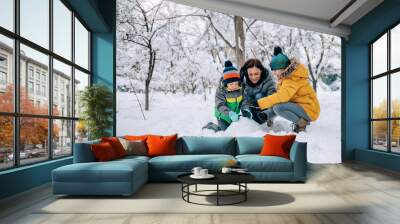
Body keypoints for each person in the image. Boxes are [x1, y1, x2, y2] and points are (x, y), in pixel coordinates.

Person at [257, 47, 320, 132]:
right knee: (277, 104)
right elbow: (280, 99)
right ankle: (269, 117)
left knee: (278, 108)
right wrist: (267, 114)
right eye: (273, 70)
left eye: (275, 70)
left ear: (283, 68)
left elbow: (282, 97)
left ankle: (301, 124)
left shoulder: (292, 78)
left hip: (309, 110)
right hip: (303, 106)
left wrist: (261, 102)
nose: (274, 73)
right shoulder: (287, 77)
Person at [203, 60, 242, 132]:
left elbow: (244, 101)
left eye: (236, 84)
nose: (234, 86)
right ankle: (211, 126)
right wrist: (230, 113)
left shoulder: (240, 90)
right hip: (222, 115)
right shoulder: (221, 91)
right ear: (226, 84)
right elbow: (220, 105)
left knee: (235, 130)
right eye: (231, 84)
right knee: (224, 131)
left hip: (234, 115)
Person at [240, 58, 276, 126]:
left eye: (256, 74)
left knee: (259, 95)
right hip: (252, 109)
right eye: (250, 74)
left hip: (265, 112)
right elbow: (244, 99)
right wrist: (246, 110)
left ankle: (268, 121)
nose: (253, 77)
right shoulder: (244, 82)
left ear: (261, 71)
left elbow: (273, 101)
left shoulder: (269, 81)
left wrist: (267, 114)